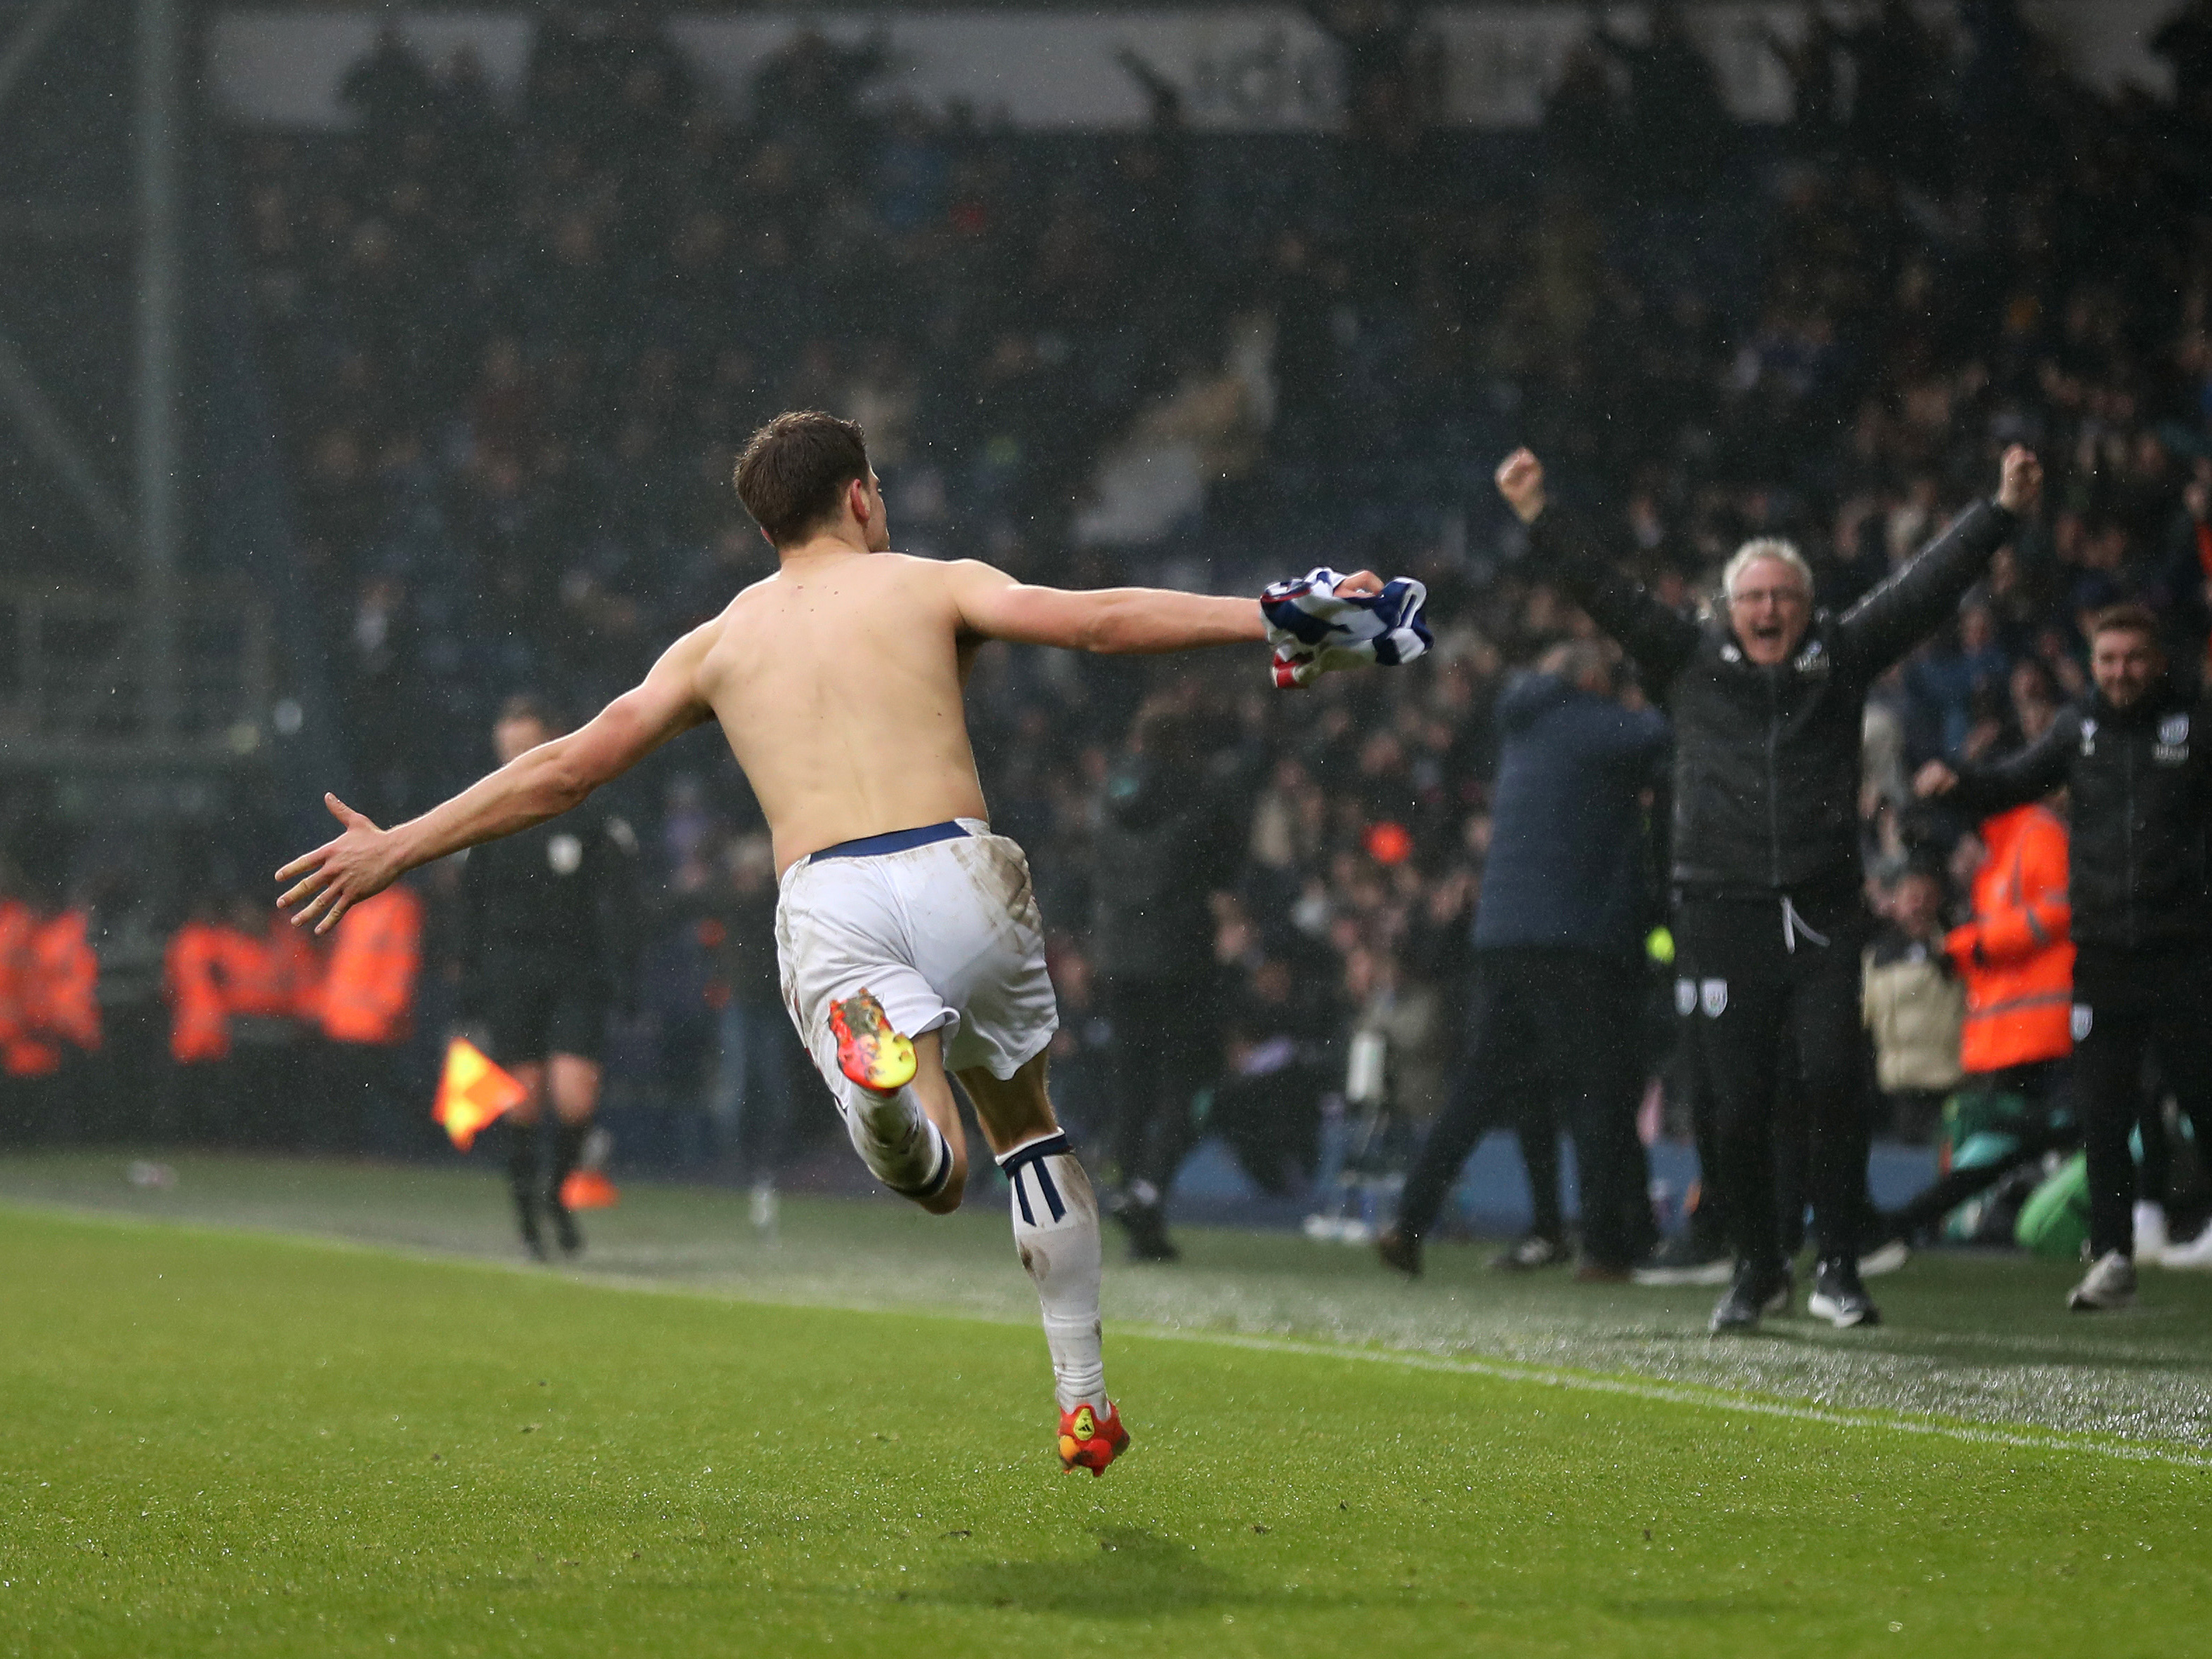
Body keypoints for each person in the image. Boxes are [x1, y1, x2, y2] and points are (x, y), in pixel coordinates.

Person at [275, 409, 1420, 1474]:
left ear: (767, 523)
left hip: (828, 893)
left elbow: (569, 765)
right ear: (861, 497)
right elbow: (1099, 622)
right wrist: (1277, 613)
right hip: (960, 868)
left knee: (934, 1177)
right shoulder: (926, 585)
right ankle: (1084, 1396)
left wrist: (404, 846)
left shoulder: (720, 642)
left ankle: (883, 1101)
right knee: (1026, 1128)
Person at [1496, 442, 2042, 1331]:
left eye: (1784, 595)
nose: (1770, 609)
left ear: (1807, 605)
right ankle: (1756, 1266)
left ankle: (1836, 1264)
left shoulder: (1844, 653)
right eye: (1754, 596)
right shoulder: (1684, 658)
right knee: (1733, 1104)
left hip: (1823, 907)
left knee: (1832, 1080)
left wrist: (2002, 510)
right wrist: (1538, 515)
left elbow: (1926, 587)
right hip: (1720, 909)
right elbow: (1605, 589)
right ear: (1727, 608)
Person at [1916, 602, 2212, 1305]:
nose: (2120, 671)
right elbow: (2014, 779)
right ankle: (2114, 1254)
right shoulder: (2079, 730)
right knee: (2104, 1110)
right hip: (2103, 955)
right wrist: (1959, 783)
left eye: (2132, 657)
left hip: (2182, 953)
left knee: (2202, 1096)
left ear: (2157, 660)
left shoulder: (2197, 731)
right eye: (2108, 658)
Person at [1376, 639, 1667, 1281]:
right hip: (1572, 931)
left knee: (1481, 1083)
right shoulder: (1596, 723)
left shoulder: (1523, 723)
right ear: (1593, 677)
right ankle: (1603, 1245)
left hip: (1502, 931)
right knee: (1594, 1086)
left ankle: (1409, 1217)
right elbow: (1665, 732)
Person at [454, 695, 641, 1261]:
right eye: (506, 747)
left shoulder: (588, 812)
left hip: (575, 970)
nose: (514, 756)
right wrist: (470, 982)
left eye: (525, 745)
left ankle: (556, 1193)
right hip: (510, 973)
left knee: (576, 1098)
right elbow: (469, 906)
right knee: (523, 1103)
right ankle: (526, 1211)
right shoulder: (486, 813)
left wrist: (625, 973)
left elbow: (622, 900)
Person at [1088, 695, 1245, 1262]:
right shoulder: (1201, 794)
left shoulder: (1109, 797)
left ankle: (1131, 1199)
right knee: (1187, 1079)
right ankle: (1150, 1189)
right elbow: (1225, 871)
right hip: (1180, 957)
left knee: (1130, 1084)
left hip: (1117, 956)